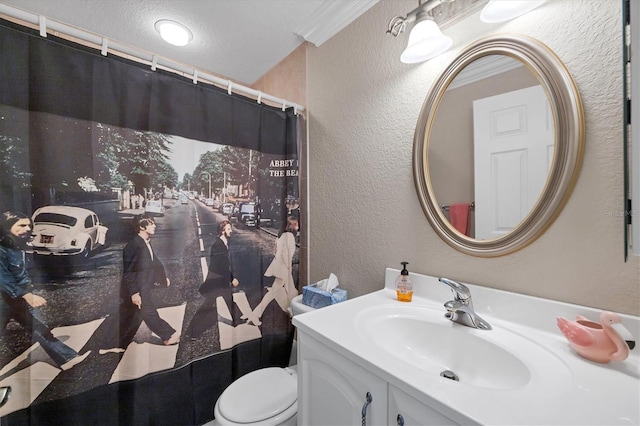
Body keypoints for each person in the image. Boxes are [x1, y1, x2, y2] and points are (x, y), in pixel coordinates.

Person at [0, 211, 91, 370]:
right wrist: (27, 294)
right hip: (4, 300)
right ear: (7, 227)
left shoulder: (17, 245)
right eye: (22, 225)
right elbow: (3, 278)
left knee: (40, 328)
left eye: (29, 225)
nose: (27, 228)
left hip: (19, 297)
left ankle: (67, 358)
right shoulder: (2, 249)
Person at [99, 215, 179, 353]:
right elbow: (129, 273)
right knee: (148, 311)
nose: (155, 226)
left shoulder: (145, 242)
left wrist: (162, 278)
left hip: (144, 284)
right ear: (142, 227)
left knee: (126, 315)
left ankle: (109, 344)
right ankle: (167, 335)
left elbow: (154, 261)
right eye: (151, 224)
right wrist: (134, 293)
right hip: (138, 287)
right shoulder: (133, 246)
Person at [187, 220, 241, 338]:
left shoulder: (225, 242)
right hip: (216, 280)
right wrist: (232, 278)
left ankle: (238, 319)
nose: (231, 231)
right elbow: (221, 266)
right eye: (228, 229)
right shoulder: (218, 245)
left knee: (229, 299)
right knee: (207, 306)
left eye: (230, 229)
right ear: (222, 231)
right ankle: (192, 331)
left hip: (221, 279)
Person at [250, 216, 299, 325]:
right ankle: (255, 315)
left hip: (281, 268)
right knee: (274, 293)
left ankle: (294, 315)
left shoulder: (280, 236)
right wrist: (288, 268)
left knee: (292, 292)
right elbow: (287, 256)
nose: (297, 226)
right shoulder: (289, 236)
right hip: (284, 269)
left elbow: (275, 252)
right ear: (290, 226)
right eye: (295, 224)